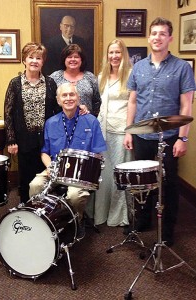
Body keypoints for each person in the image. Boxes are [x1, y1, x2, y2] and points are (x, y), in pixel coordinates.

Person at [123, 17, 196, 246]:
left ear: (170, 38)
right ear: (148, 37)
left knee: (169, 183)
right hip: (142, 134)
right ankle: (143, 220)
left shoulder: (182, 68)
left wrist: (183, 137)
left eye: (162, 34)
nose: (157, 37)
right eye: (154, 33)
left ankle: (167, 229)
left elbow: (186, 105)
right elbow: (133, 102)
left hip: (169, 137)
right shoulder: (138, 67)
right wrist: (128, 131)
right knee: (141, 182)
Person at [29, 82, 107, 240]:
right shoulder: (51, 123)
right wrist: (49, 166)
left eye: (72, 95)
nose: (68, 98)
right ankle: (42, 220)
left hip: (80, 173)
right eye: (64, 95)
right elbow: (45, 152)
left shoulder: (91, 121)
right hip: (55, 169)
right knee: (35, 185)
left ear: (78, 98)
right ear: (58, 100)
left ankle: (77, 221)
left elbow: (98, 153)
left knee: (74, 196)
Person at [4, 42, 61, 204]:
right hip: (24, 139)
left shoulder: (50, 83)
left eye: (38, 58)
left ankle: (44, 210)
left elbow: (58, 110)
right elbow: (8, 113)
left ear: (43, 61)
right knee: (26, 178)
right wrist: (11, 140)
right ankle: (25, 209)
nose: (34, 61)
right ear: (24, 60)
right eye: (31, 57)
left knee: (45, 177)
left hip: (46, 139)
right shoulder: (15, 83)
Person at [94, 39, 133, 229]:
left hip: (121, 131)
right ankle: (101, 212)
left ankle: (119, 216)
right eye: (111, 53)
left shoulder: (131, 76)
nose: (114, 56)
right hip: (103, 130)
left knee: (119, 173)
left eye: (118, 52)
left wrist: (129, 132)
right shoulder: (102, 76)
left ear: (123, 54)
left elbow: (135, 105)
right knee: (105, 173)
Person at [50, 44, 101, 117]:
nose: (73, 59)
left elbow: (97, 101)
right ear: (64, 59)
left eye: (76, 57)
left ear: (81, 60)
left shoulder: (90, 78)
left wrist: (91, 116)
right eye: (69, 57)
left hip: (86, 122)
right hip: (61, 123)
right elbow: (51, 103)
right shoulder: (54, 78)